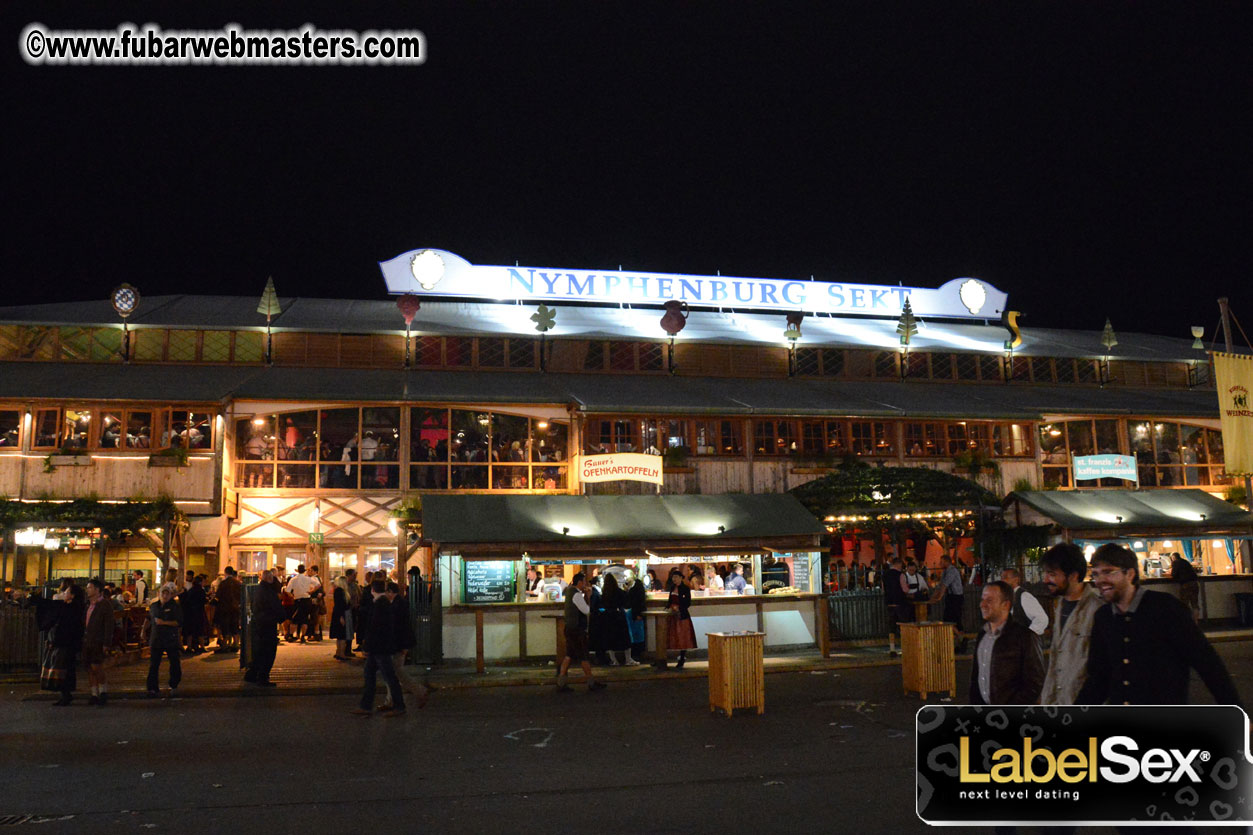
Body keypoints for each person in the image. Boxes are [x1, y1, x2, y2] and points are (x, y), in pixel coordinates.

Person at [1077, 543, 1240, 706]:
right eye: (1096, 574)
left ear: (1130, 574)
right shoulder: (1103, 617)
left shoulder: (1166, 608)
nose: (1099, 581)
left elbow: (1208, 664)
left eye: (1108, 572)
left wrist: (1236, 711)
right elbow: (1099, 678)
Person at [1038, 543, 1102, 706]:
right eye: (1045, 573)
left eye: (1052, 574)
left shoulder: (1098, 611)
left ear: (1073, 575)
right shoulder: (1060, 604)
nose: (1046, 580)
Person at [968, 581, 1044, 705]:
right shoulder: (983, 635)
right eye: (983, 599)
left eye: (990, 600)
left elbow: (1035, 683)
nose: (982, 604)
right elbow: (976, 676)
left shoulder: (1024, 637)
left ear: (1006, 605)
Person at [351, 579, 407, 716]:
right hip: (380, 647)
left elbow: (374, 628)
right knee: (372, 674)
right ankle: (366, 705)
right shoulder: (384, 603)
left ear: (372, 590)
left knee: (388, 676)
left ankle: (398, 706)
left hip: (379, 647)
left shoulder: (380, 604)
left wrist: (367, 646)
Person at [555, 572, 605, 693]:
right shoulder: (576, 595)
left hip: (570, 628)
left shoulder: (569, 592)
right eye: (584, 582)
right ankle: (591, 683)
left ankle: (561, 682)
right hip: (577, 630)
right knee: (583, 656)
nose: (585, 584)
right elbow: (586, 610)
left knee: (569, 655)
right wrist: (588, 596)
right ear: (579, 582)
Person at [245, 569, 285, 687]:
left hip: (260, 623)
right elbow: (275, 607)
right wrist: (281, 617)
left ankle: (252, 674)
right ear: (269, 578)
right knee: (268, 652)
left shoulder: (259, 590)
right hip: (268, 624)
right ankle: (263, 677)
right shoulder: (269, 592)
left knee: (259, 650)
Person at [48, 583, 86, 707]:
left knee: (64, 668)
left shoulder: (72, 608)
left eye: (66, 592)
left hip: (66, 642)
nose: (64, 594)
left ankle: (66, 693)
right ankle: (65, 693)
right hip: (69, 642)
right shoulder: (74, 607)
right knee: (66, 668)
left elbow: (64, 626)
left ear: (72, 595)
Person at [146, 583, 183, 698]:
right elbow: (148, 618)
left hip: (170, 638)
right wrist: (143, 631)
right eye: (163, 593)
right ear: (159, 594)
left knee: (174, 662)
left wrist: (164, 622)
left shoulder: (175, 606)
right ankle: (152, 687)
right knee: (154, 664)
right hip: (157, 638)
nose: (165, 596)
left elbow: (179, 622)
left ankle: (174, 685)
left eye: (167, 594)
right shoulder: (154, 606)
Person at [82, 578, 114, 706]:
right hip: (87, 640)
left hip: (98, 640)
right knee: (89, 668)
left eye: (90, 587)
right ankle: (94, 693)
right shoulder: (88, 605)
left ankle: (103, 691)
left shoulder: (105, 605)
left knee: (97, 667)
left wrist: (106, 643)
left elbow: (109, 625)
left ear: (97, 590)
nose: (87, 590)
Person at [1000, 568, 1048, 636]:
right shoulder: (1006, 597)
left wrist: (1027, 636)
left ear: (1016, 579)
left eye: (1005, 577)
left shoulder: (1024, 596)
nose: (1002, 581)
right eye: (1001, 578)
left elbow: (1042, 619)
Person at [931, 555, 966, 651]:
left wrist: (938, 597)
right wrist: (934, 597)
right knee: (952, 620)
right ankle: (960, 641)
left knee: (950, 620)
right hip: (951, 597)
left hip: (956, 597)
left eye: (941, 562)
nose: (940, 564)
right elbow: (940, 585)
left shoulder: (952, 571)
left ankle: (960, 638)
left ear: (947, 562)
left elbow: (944, 585)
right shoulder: (945, 572)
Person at [665, 567, 697, 669]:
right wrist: (667, 607)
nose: (674, 579)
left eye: (676, 577)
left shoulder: (685, 588)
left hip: (682, 615)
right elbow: (670, 600)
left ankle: (682, 658)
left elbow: (688, 602)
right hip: (673, 616)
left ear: (680, 578)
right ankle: (665, 658)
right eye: (673, 577)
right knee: (673, 637)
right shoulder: (672, 588)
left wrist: (678, 608)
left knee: (683, 637)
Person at [599, 573, 632, 666]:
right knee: (625, 638)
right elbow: (626, 603)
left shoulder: (604, 592)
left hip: (608, 617)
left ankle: (614, 660)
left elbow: (601, 604)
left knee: (609, 639)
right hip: (619, 615)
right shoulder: (619, 591)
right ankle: (628, 659)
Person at [284, 564, 320, 643]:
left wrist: (292, 596)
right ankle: (303, 636)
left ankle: (291, 635)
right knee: (305, 619)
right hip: (307, 599)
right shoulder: (307, 579)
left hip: (297, 600)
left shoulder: (293, 579)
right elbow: (318, 584)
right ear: (304, 570)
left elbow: (287, 591)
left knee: (294, 619)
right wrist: (311, 591)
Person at [213, 566, 242, 651]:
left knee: (225, 627)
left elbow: (218, 595)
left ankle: (225, 644)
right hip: (235, 608)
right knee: (235, 626)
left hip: (225, 608)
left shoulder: (223, 583)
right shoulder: (238, 583)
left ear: (226, 573)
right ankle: (236, 644)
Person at [883, 557, 910, 646]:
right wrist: (908, 587)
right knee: (903, 625)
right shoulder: (901, 575)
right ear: (898, 564)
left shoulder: (885, 575)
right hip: (900, 602)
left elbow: (884, 589)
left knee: (892, 627)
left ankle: (892, 647)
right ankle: (904, 646)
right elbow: (905, 589)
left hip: (889, 603)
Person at [331, 570, 357, 660]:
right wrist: (341, 617)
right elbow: (340, 605)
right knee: (342, 635)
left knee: (340, 636)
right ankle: (341, 653)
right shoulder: (340, 591)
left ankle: (339, 652)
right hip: (343, 614)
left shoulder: (338, 591)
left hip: (341, 614)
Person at [180, 575, 208, 654]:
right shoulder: (201, 590)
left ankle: (189, 647)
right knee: (200, 630)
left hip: (190, 612)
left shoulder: (190, 590)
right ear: (200, 582)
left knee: (190, 631)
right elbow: (203, 601)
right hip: (199, 612)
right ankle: (201, 646)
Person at [1170, 552, 1200, 622]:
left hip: (1185, 584)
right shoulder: (1185, 562)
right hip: (1194, 583)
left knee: (1184, 604)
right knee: (1195, 604)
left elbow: (1173, 575)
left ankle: (1186, 622)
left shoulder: (1175, 562)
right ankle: (1196, 622)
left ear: (1173, 557)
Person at [624, 574, 647, 665]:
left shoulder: (636, 587)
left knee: (636, 634)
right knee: (636, 634)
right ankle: (636, 654)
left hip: (635, 614)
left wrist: (638, 614)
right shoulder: (637, 586)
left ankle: (636, 653)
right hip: (634, 614)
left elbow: (638, 601)